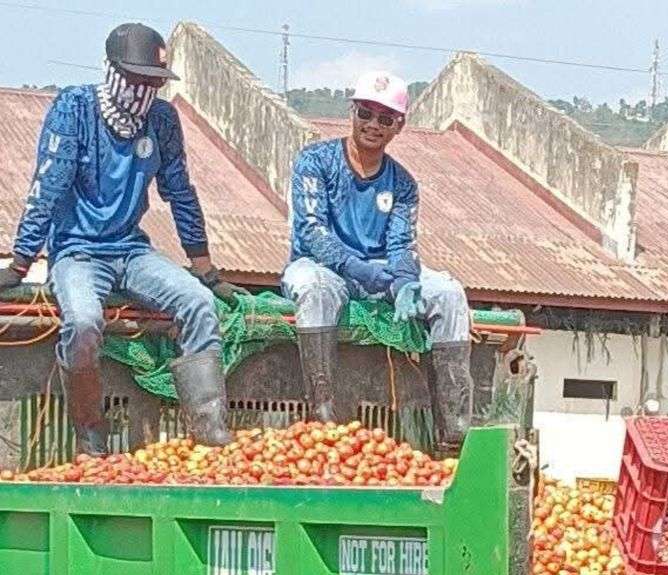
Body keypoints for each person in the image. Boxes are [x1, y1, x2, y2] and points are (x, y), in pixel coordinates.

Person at [0, 23, 246, 454]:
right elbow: (48, 185)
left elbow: (180, 193)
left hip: (131, 250)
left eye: (153, 82)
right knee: (83, 322)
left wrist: (206, 269)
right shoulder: (74, 108)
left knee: (198, 304)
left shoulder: (162, 120)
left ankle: (208, 428)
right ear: (111, 70)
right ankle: (91, 432)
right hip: (77, 252)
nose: (144, 90)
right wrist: (21, 262)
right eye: (136, 79)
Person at [282, 70, 473, 452]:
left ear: (398, 126)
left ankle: (454, 435)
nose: (373, 124)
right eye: (366, 113)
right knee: (313, 289)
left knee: (450, 293)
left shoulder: (402, 182)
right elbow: (312, 232)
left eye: (385, 118)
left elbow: (402, 242)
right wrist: (362, 271)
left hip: (382, 268)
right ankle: (323, 420)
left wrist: (403, 282)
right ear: (351, 112)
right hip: (326, 267)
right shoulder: (315, 161)